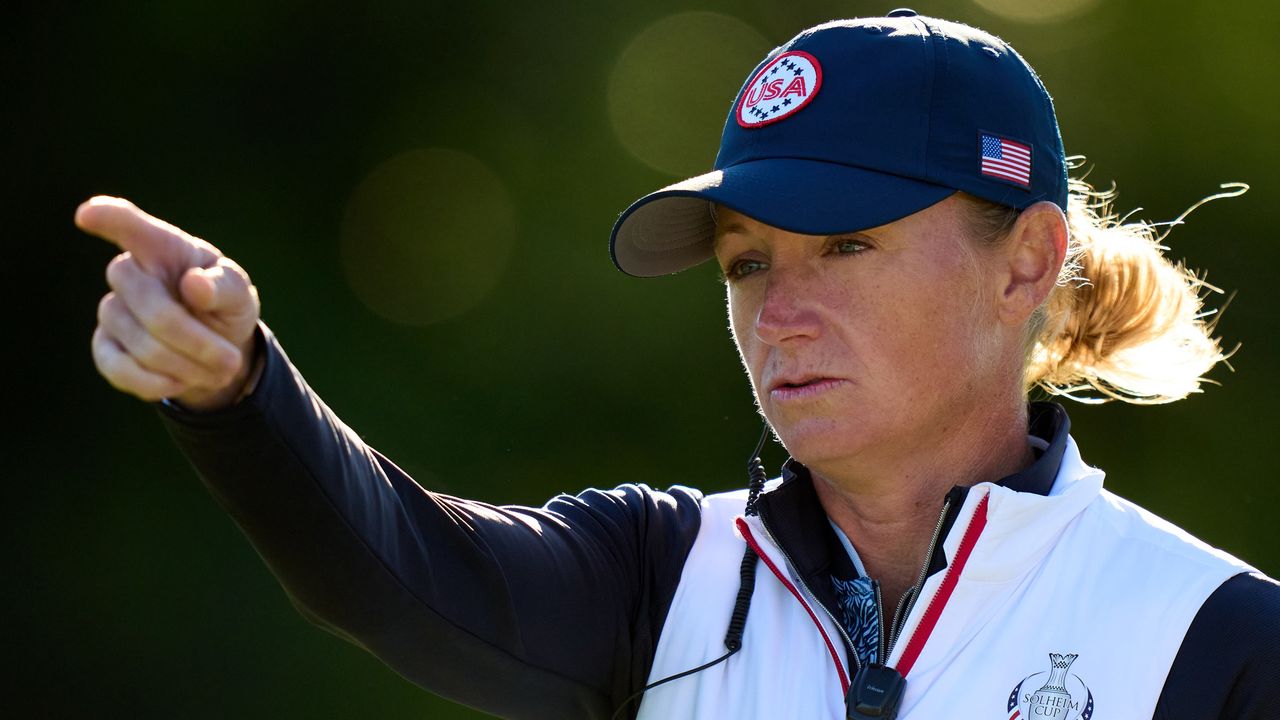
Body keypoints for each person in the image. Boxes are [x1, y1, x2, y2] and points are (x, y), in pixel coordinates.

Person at [81, 10, 1278, 720]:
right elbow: (397, 572)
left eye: (845, 246)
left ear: (1024, 263)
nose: (780, 313)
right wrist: (235, 387)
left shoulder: (1212, 639)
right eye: (746, 264)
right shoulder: (661, 574)